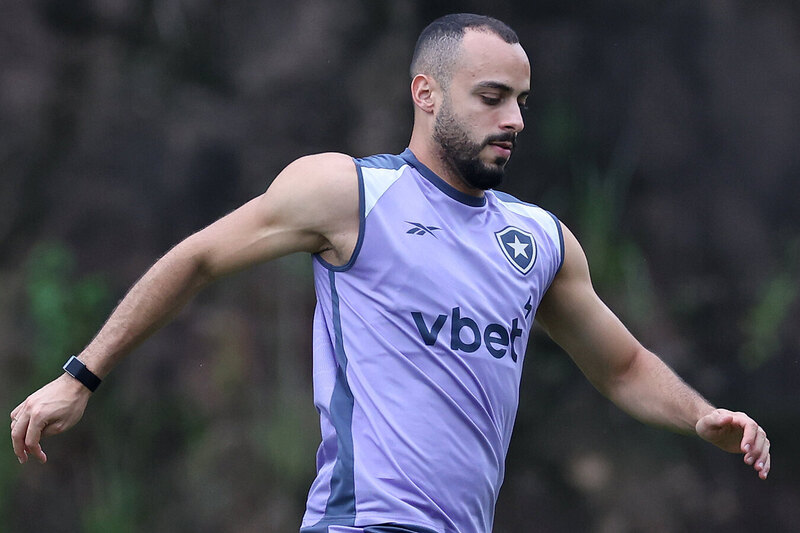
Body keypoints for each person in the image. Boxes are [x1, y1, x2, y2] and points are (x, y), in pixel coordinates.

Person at [10, 13, 770, 533]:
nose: (515, 120)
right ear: (426, 93)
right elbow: (198, 256)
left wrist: (699, 414)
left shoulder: (539, 240)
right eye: (492, 98)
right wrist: (81, 375)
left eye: (523, 102)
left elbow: (625, 364)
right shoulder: (350, 193)